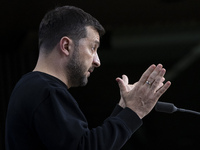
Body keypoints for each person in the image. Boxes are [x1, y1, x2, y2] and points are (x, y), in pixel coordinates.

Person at [5, 5, 171, 150]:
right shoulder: (46, 91)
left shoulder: (33, 88)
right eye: (93, 48)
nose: (97, 61)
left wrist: (124, 108)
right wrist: (136, 110)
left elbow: (86, 144)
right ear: (66, 46)